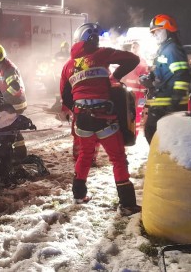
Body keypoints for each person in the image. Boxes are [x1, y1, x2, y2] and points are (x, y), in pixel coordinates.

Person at [60, 22, 141, 215]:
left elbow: (65, 95)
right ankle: (127, 204)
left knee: (85, 155)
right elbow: (132, 59)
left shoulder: (68, 65)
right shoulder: (102, 53)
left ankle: (79, 195)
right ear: (94, 40)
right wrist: (114, 77)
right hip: (104, 117)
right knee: (118, 159)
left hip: (82, 119)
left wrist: (78, 109)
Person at [139, 14, 191, 144]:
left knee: (159, 138)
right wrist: (149, 79)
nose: (155, 35)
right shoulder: (164, 49)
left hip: (168, 104)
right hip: (161, 103)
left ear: (168, 30)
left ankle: (162, 163)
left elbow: (182, 74)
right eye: (153, 33)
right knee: (153, 135)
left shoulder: (172, 49)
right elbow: (162, 73)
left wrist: (176, 98)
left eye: (158, 31)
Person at [0, 44, 28, 161]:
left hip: (16, 103)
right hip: (9, 102)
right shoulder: (0, 69)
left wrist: (2, 98)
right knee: (11, 128)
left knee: (7, 127)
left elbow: (15, 86)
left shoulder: (9, 69)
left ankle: (19, 154)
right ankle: (19, 153)